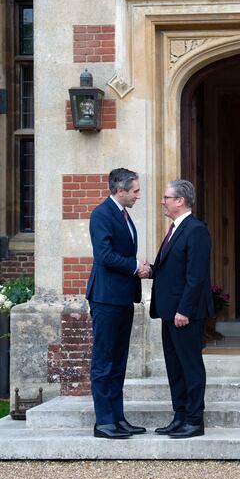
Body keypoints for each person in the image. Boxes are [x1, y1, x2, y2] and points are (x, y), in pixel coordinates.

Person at [86, 168, 152, 439]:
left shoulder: (124, 215)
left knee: (118, 361)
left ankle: (117, 418)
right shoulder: (101, 214)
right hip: (105, 298)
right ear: (120, 190)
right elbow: (104, 256)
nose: (138, 195)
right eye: (135, 191)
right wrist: (136, 267)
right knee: (104, 361)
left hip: (122, 297)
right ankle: (103, 422)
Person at [149, 179, 214, 439]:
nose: (163, 202)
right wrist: (149, 271)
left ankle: (194, 420)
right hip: (168, 311)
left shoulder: (195, 230)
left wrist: (184, 311)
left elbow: (196, 276)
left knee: (190, 367)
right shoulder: (175, 229)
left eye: (166, 197)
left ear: (180, 201)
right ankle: (180, 416)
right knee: (174, 367)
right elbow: (171, 268)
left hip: (185, 314)